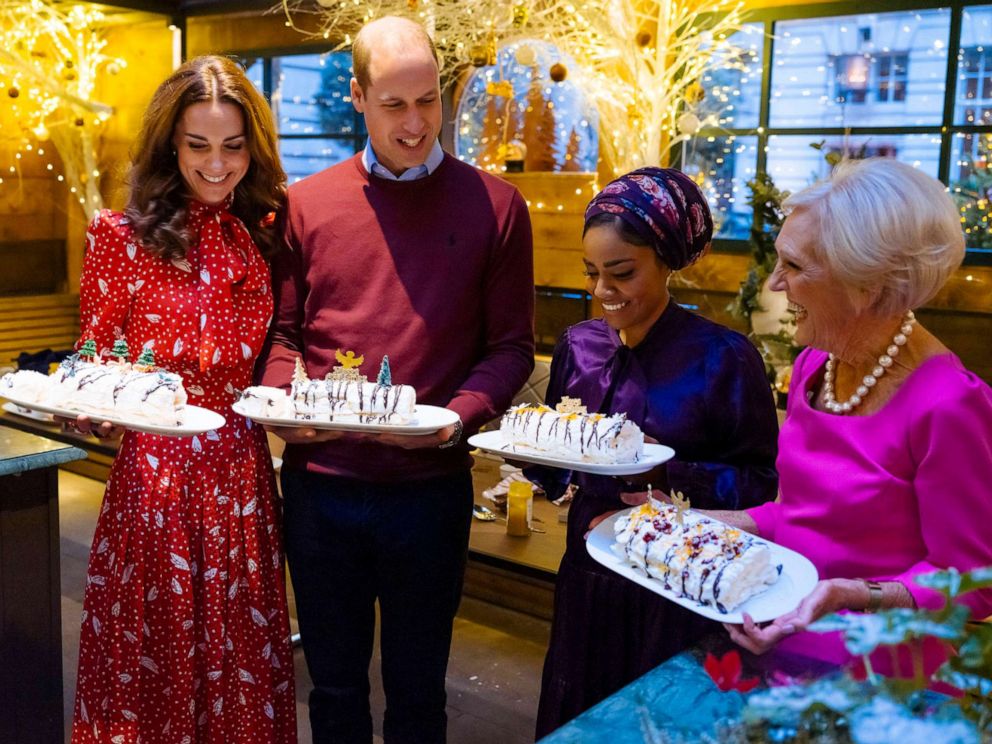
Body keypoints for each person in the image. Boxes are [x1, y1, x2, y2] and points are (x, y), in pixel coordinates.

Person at [258, 16, 534, 744]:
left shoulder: (497, 207)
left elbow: (511, 348)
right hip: (322, 483)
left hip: (429, 490)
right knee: (335, 689)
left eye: (428, 102)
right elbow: (284, 335)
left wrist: (460, 415)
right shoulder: (307, 203)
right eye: (394, 104)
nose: (416, 124)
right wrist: (285, 407)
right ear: (356, 95)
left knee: (419, 694)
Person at [68, 56, 296, 743]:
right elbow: (91, 361)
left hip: (243, 478)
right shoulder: (121, 237)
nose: (218, 164)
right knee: (154, 663)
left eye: (233, 146)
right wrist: (91, 404)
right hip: (154, 483)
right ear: (171, 142)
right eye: (199, 145)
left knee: (240, 663)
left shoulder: (266, 233)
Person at [712, 158, 992, 676]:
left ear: (866, 286)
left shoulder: (948, 403)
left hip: (880, 677)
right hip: (777, 643)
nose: (775, 284)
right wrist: (711, 524)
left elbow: (971, 581)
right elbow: (800, 518)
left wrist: (854, 593)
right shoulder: (814, 366)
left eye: (794, 267)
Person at [531, 167, 779, 737]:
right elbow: (555, 455)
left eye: (621, 274)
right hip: (589, 574)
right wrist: (539, 456)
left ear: (667, 262)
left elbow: (759, 480)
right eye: (592, 273)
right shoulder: (578, 346)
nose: (603, 293)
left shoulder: (723, 357)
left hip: (676, 586)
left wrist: (665, 472)